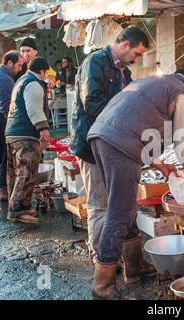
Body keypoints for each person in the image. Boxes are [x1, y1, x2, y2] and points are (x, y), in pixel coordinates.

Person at [87, 69, 184, 300]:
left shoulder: (149, 84)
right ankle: (102, 289)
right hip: (119, 145)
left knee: (124, 206)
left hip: (100, 137)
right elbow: (182, 143)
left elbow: (135, 122)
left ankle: (134, 266)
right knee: (118, 213)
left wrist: (159, 164)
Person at [69, 26, 149, 265]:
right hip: (91, 146)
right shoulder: (95, 62)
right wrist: (123, 123)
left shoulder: (123, 71)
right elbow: (91, 102)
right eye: (136, 54)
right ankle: (101, 259)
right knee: (100, 204)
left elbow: (131, 100)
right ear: (125, 45)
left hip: (114, 146)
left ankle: (126, 259)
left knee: (120, 204)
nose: (136, 60)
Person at [4, 57, 51, 224]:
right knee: (27, 172)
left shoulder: (21, 80)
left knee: (15, 173)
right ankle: (17, 210)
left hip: (12, 132)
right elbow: (34, 108)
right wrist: (43, 130)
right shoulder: (33, 83)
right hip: (25, 134)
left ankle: (17, 205)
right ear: (42, 71)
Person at [0, 50, 24, 201]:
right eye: (18, 65)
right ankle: (4, 190)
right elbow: (6, 106)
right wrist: (14, 123)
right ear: (9, 63)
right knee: (4, 156)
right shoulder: (5, 78)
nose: (20, 69)